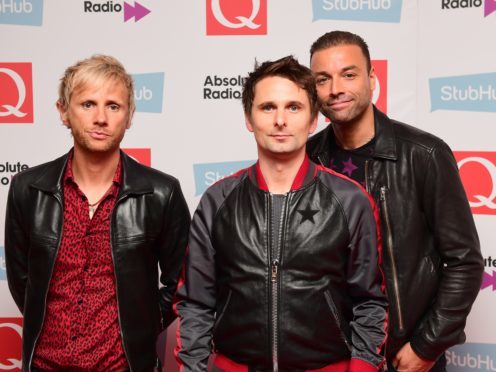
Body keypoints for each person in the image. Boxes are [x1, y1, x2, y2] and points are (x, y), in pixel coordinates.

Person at [175, 55, 387, 372]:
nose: (280, 121)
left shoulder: (350, 200)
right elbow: (196, 302)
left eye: (293, 107)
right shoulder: (218, 200)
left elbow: (370, 302)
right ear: (249, 118)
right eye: (267, 107)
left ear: (313, 119)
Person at [307, 31, 484, 372]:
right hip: (331, 357)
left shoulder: (424, 155)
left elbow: (464, 261)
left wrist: (426, 346)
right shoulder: (307, 160)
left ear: (372, 79)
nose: (335, 89)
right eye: (322, 79)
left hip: (403, 357)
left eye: (349, 74)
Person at [5, 55, 190, 371]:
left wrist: (142, 324)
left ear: (129, 116)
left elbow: (182, 282)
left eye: (114, 106)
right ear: (64, 112)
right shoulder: (28, 189)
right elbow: (22, 282)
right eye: (87, 104)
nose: (101, 118)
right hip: (44, 365)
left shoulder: (162, 192)